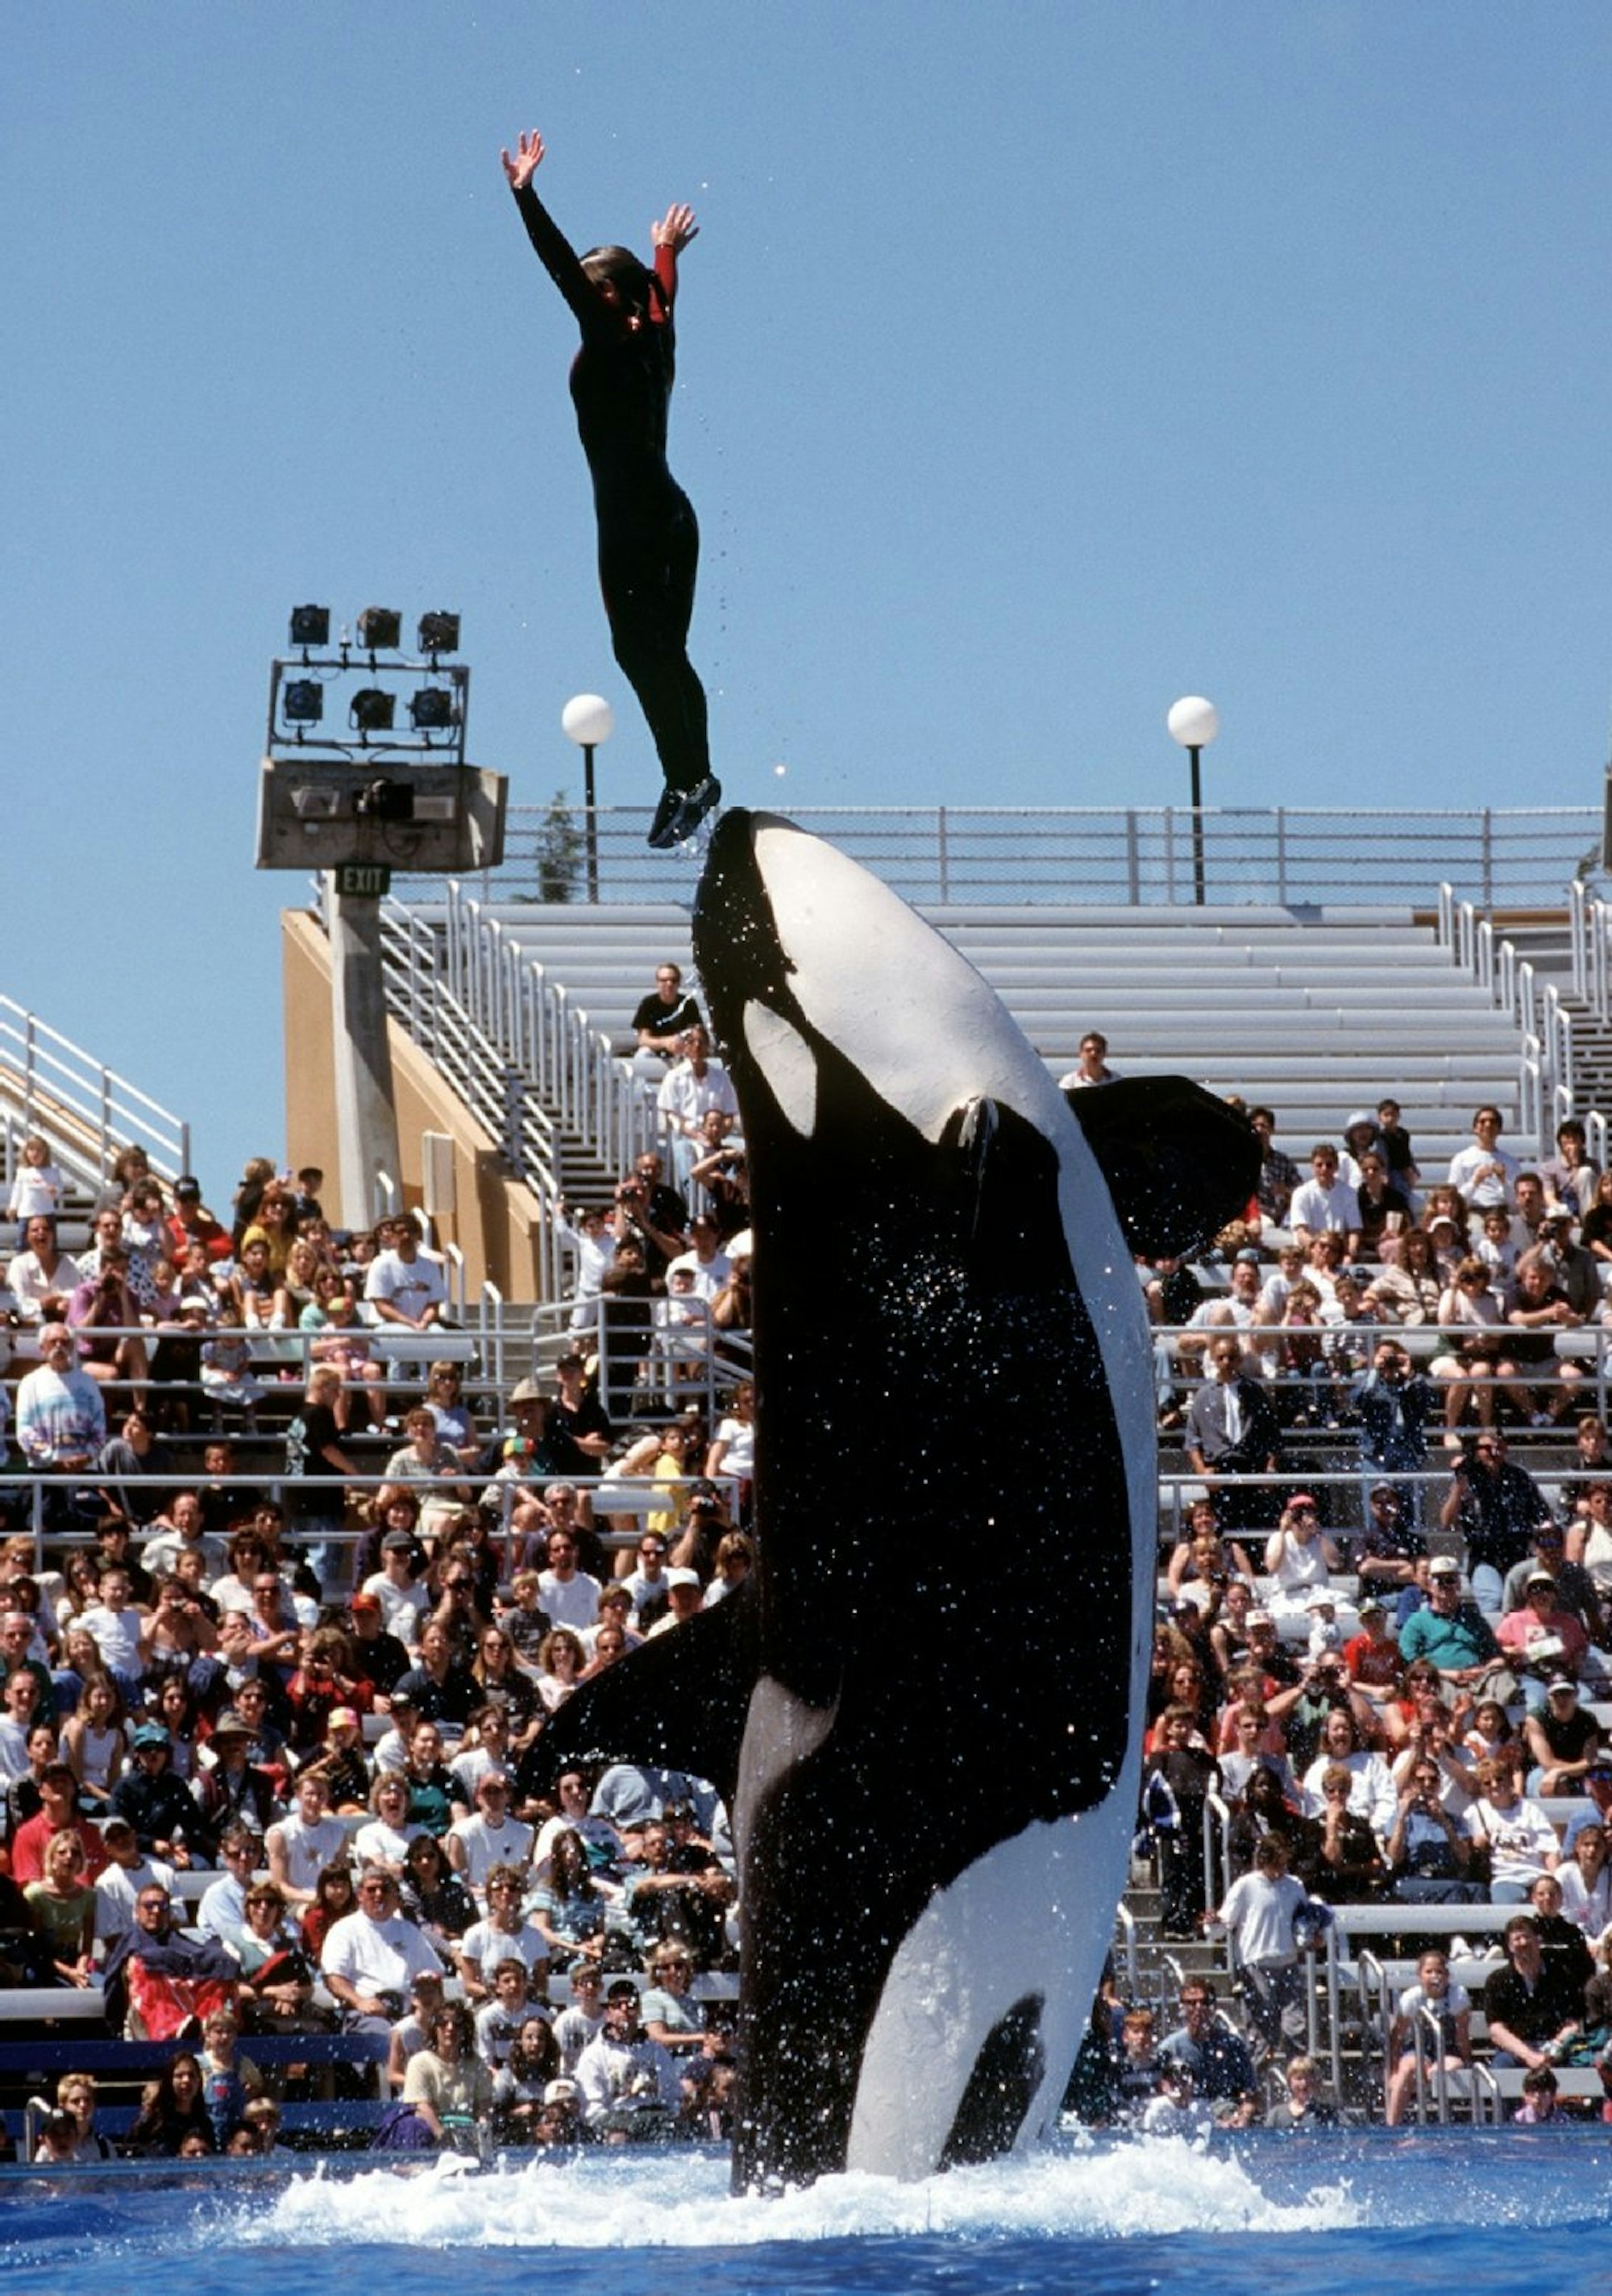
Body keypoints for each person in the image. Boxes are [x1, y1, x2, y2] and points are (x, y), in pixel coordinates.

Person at [503, 127, 718, 852]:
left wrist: (526, 197)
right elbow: (661, 298)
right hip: (674, 517)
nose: (582, 298)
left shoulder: (613, 338)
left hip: (631, 530)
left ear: (609, 299)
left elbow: (561, 269)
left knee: (642, 655)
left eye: (594, 292)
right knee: (667, 656)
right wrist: (664, 253)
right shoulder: (656, 333)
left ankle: (690, 779)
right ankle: (692, 778)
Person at [574, 1976, 683, 2133]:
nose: (625, 2010)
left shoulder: (656, 2051)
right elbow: (592, 2111)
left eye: (631, 2005)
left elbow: (672, 2096)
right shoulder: (594, 2054)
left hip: (653, 2120)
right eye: (617, 2005)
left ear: (639, 2011)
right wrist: (623, 2125)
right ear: (608, 2013)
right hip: (615, 2125)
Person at [1484, 1913, 1584, 2069]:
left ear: (1539, 1940)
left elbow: (1573, 2024)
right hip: (1515, 2051)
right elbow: (1496, 2030)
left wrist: (1552, 2048)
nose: (1523, 1943)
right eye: (1517, 1939)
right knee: (1500, 2068)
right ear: (1509, 1946)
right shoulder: (1497, 1981)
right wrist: (1528, 2055)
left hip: (1555, 2046)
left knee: (1581, 2066)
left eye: (1527, 1937)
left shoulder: (1562, 1976)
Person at [1384, 1949, 1473, 2124]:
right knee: (1407, 2068)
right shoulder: (1412, 1998)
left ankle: (1443, 2122)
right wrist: (1392, 2070)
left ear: (1447, 1976)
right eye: (1429, 1972)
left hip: (1449, 2049)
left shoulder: (1457, 1996)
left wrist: (1467, 2059)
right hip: (1419, 2047)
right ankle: (1391, 2124)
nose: (1435, 1976)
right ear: (1420, 1975)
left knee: (1441, 2070)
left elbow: (1462, 2035)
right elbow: (1397, 2036)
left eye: (1439, 1972)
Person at [1157, 1979, 1260, 2123]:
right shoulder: (1170, 2049)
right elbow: (1161, 2096)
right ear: (1182, 2007)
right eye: (1192, 2003)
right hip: (1187, 2120)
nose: (1199, 2008)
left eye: (1205, 2002)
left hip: (1228, 2117)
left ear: (1214, 2007)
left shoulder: (1232, 2045)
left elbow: (1251, 2092)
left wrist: (1242, 2117)